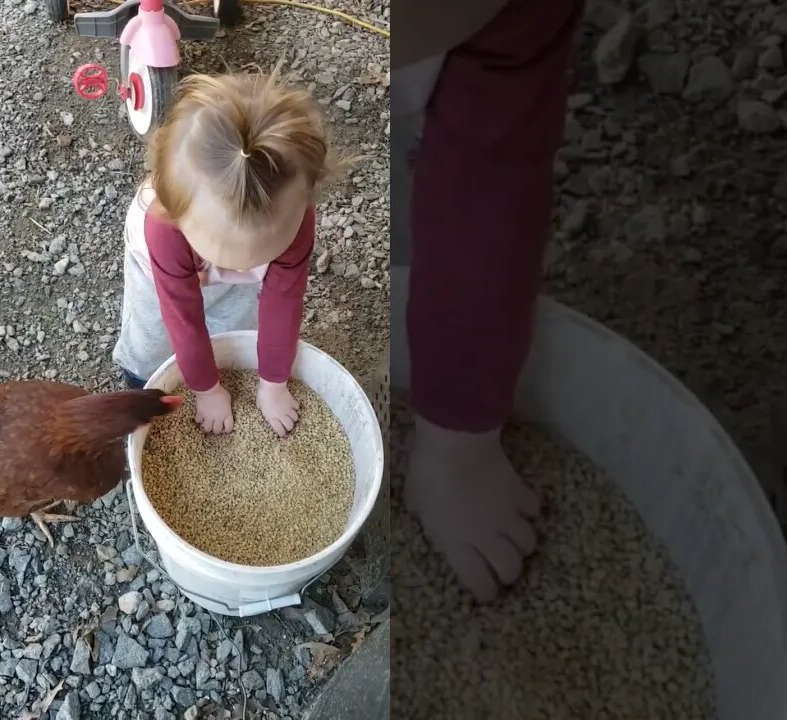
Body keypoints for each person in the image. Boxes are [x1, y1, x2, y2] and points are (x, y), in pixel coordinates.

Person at [394, 0, 582, 603]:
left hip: (483, 21)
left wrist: (458, 442)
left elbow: (488, 187)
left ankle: (454, 449)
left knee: (487, 134)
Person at [111, 71, 343, 438]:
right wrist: (206, 390)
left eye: (256, 257)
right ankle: (142, 378)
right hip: (159, 265)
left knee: (237, 322)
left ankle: (228, 359)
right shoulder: (164, 227)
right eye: (230, 257)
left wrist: (273, 384)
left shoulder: (293, 216)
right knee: (155, 334)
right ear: (176, 214)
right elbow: (182, 315)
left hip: (213, 255)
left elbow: (283, 300)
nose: (242, 266)